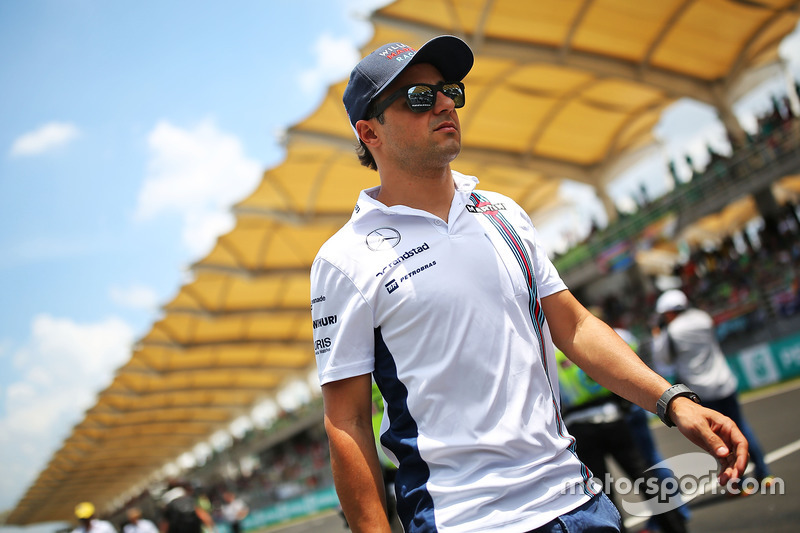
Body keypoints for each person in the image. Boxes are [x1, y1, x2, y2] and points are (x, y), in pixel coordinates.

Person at [310, 35, 748, 533]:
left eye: (450, 90)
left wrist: (673, 401)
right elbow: (345, 421)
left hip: (580, 503)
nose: (446, 103)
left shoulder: (503, 213)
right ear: (370, 133)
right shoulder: (344, 259)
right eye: (419, 97)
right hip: (465, 521)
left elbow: (575, 326)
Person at [654, 289, 774, 491]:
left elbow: (663, 358)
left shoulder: (672, 331)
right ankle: (764, 473)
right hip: (724, 381)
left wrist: (659, 334)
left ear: (668, 313)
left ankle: (740, 482)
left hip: (701, 390)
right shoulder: (703, 318)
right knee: (740, 428)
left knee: (719, 439)